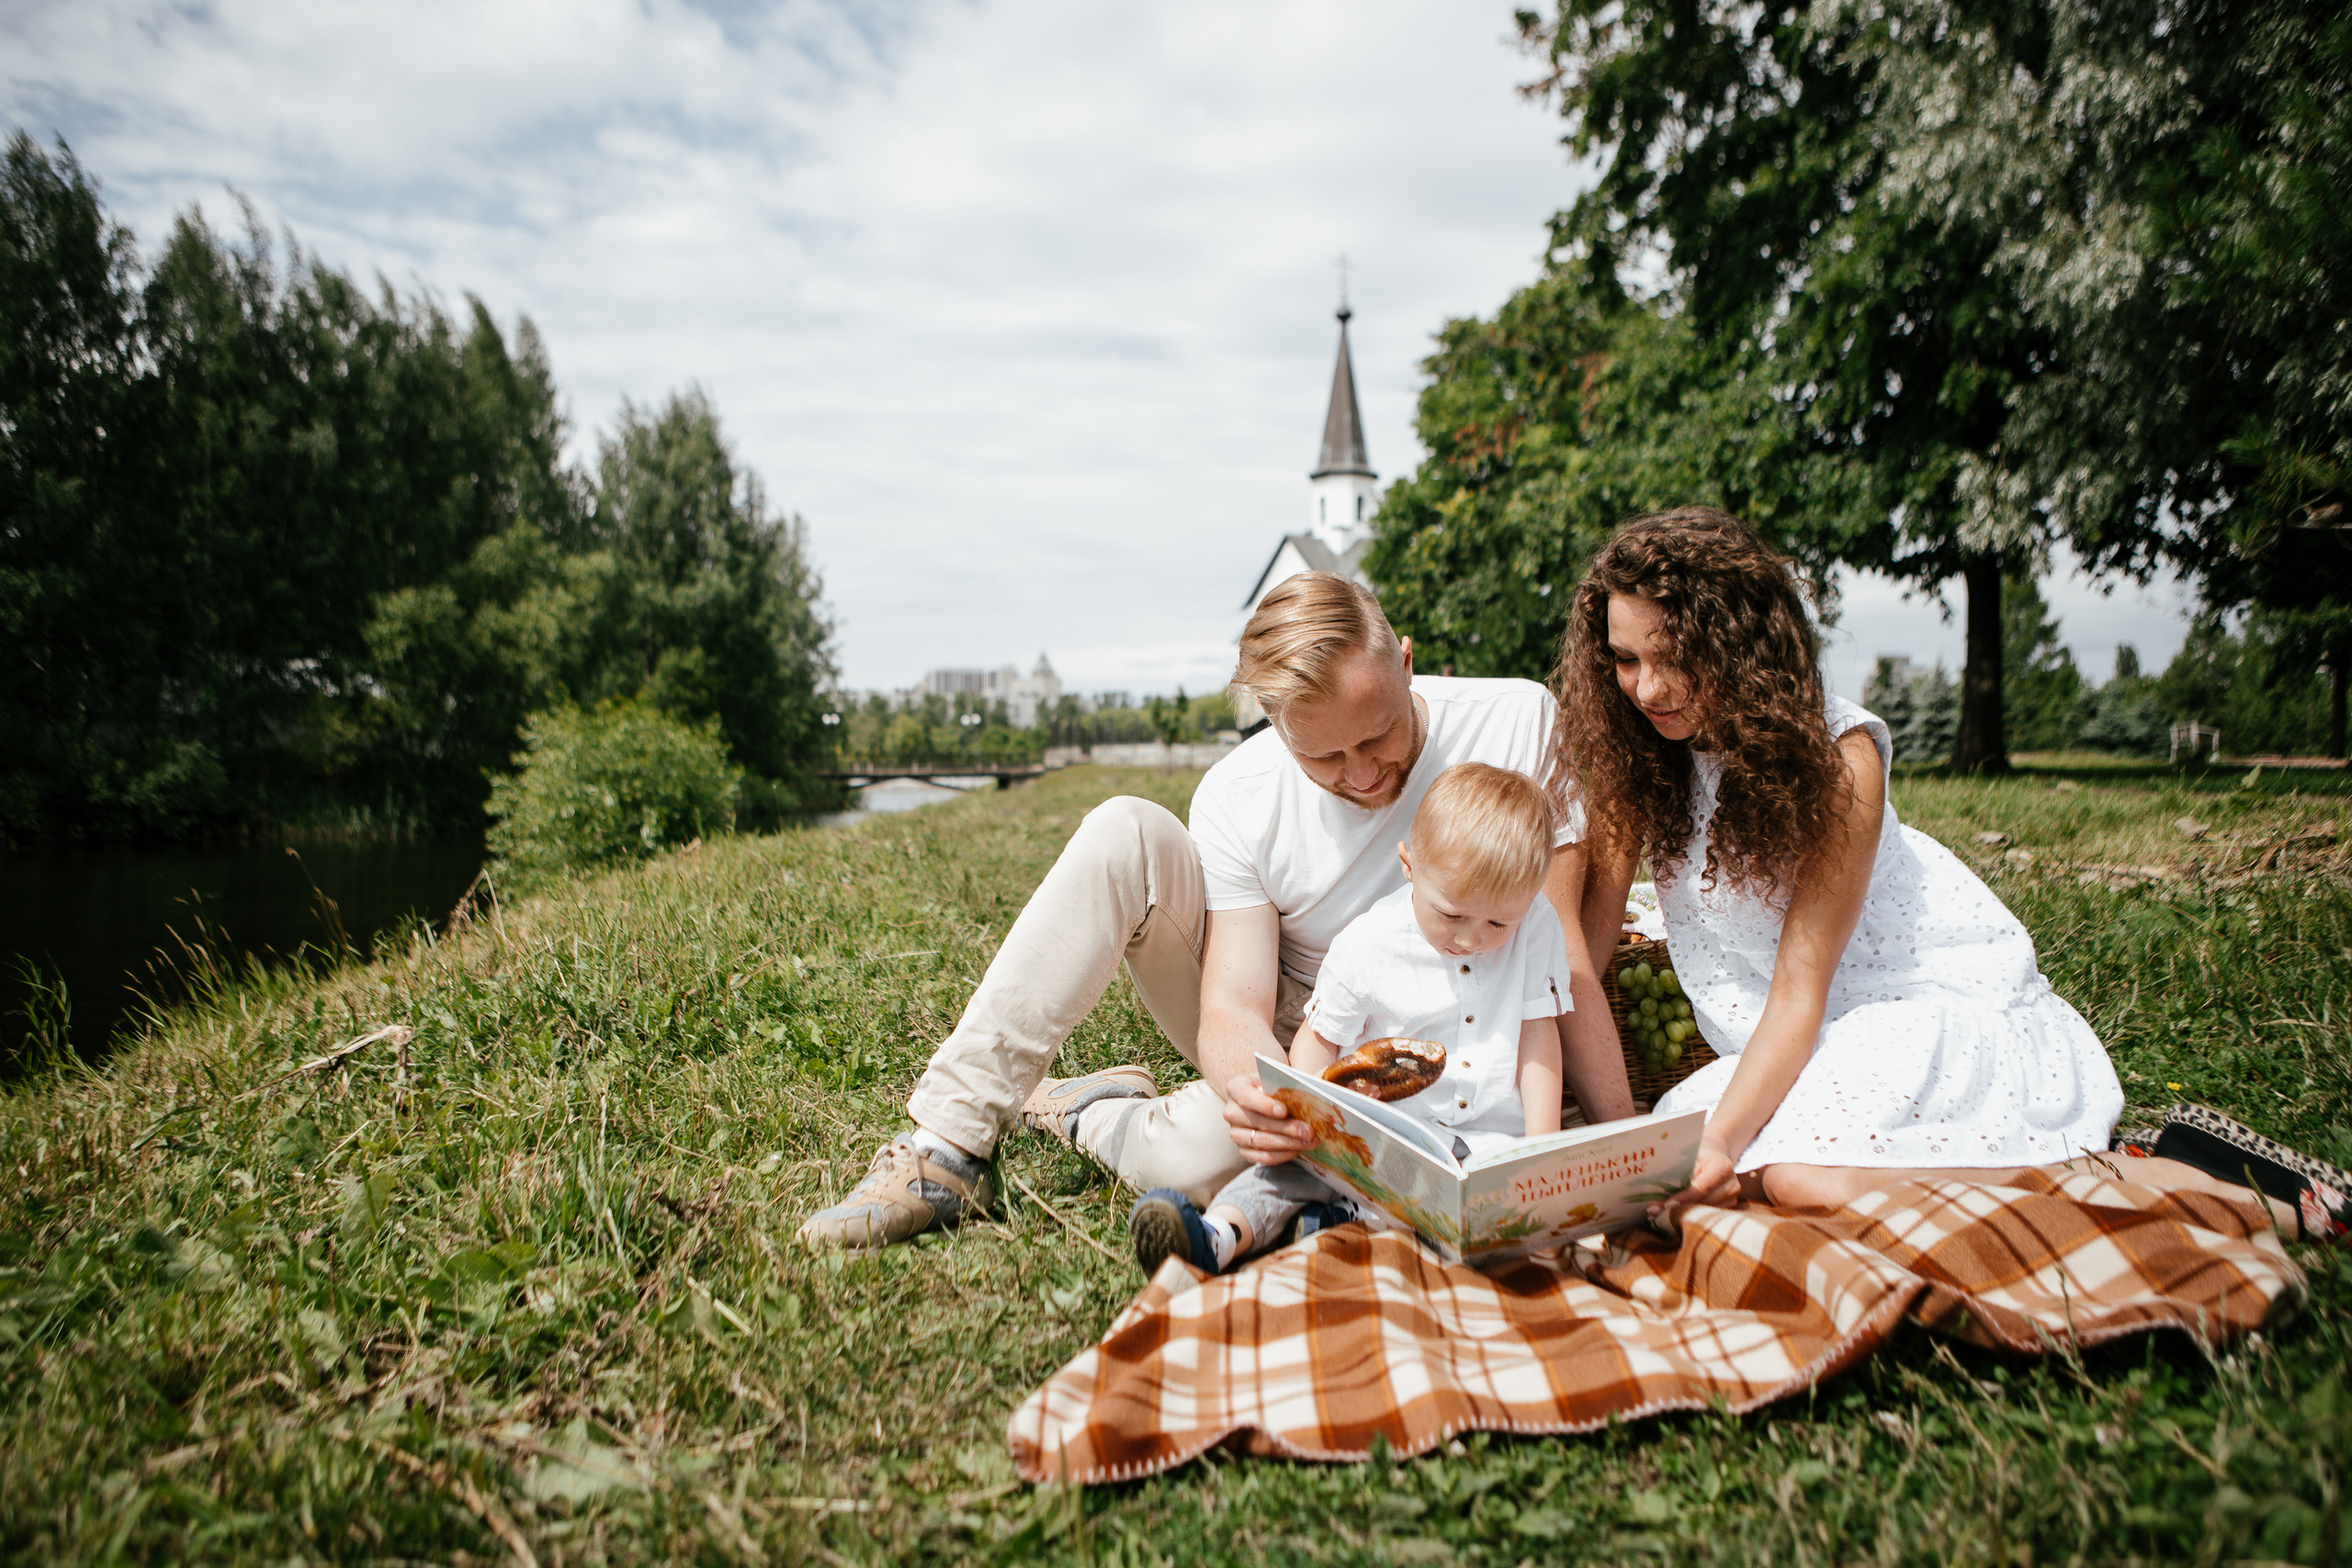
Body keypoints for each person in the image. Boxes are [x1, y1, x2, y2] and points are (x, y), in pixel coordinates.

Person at [1556, 507, 2347, 1244]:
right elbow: (1582, 956)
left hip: (1912, 1011)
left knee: (1790, 1179)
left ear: (1740, 645)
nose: (1648, 688)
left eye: (1677, 657)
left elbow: (1802, 991)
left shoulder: (1840, 758)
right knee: (1702, 1160)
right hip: (1779, 1052)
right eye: (1626, 659)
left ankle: (2157, 1180)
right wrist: (1594, 1132)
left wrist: (1722, 1145)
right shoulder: (1639, 754)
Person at [796, 572, 1637, 1250]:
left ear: (1408, 661)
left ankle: (1089, 1110)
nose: (1366, 775)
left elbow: (1559, 952)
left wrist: (1616, 1154)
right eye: (1325, 756)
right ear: (1272, 723)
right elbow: (1235, 1003)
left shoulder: (1517, 720)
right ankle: (947, 1148)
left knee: (1194, 1164)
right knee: (1122, 830)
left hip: (1458, 1023)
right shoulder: (1240, 792)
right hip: (1299, 1023)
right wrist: (1270, 1100)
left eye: (1379, 736)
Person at [1128, 761, 1569, 1276]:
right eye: (1451, 915)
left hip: (1489, 1143)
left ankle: (1335, 1227)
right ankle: (1217, 1235)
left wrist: (1542, 1148)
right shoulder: (1368, 943)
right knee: (1291, 1171)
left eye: (1499, 923)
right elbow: (1318, 1041)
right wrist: (1312, 1111)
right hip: (1386, 1138)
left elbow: (1539, 1035)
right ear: (1409, 867)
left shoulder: (1537, 926)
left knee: (1493, 1214)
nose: (1472, 938)